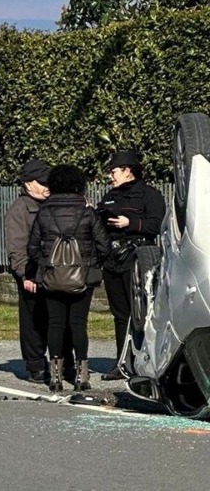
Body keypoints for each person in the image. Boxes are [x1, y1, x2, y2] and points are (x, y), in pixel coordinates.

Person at [28, 164, 110, 393]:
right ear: (79, 185)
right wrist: (90, 263)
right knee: (78, 323)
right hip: (82, 276)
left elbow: (32, 248)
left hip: (52, 276)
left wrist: (47, 263)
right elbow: (104, 245)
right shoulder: (87, 212)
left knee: (55, 323)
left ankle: (55, 376)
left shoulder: (44, 212)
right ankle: (81, 375)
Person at [96, 148, 166, 380]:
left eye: (113, 171)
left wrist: (131, 222)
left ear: (128, 171)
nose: (110, 176)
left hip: (138, 260)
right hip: (112, 261)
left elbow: (156, 225)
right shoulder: (109, 196)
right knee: (120, 315)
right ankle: (122, 362)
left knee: (142, 315)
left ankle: (145, 364)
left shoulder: (150, 195)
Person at [3, 158, 62, 383]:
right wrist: (25, 274)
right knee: (32, 322)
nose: (47, 187)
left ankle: (60, 364)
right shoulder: (20, 210)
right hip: (31, 273)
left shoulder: (53, 204)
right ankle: (36, 365)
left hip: (55, 272)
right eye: (42, 182)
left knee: (55, 319)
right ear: (28, 184)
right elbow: (16, 246)